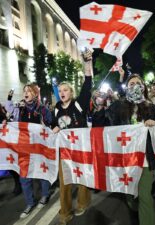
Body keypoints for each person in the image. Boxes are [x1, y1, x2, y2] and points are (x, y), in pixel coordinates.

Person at [106, 72, 155, 225]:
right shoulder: (118, 107)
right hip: (125, 157)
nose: (134, 86)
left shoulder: (152, 107)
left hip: (144, 158)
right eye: (131, 84)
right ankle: (132, 202)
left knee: (145, 196)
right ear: (127, 88)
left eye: (138, 83)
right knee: (130, 192)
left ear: (143, 87)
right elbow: (106, 123)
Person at [52, 49, 93, 225]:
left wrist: (87, 62)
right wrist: (53, 127)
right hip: (64, 152)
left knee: (82, 178)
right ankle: (65, 211)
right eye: (60, 90)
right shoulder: (55, 109)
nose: (62, 92)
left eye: (65, 90)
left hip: (80, 148)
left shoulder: (79, 104)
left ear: (71, 91)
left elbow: (88, 82)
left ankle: (83, 202)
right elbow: (52, 126)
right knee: (65, 182)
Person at [11, 84, 53, 219]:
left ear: (35, 94)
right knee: (24, 176)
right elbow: (14, 125)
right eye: (24, 91)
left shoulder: (42, 109)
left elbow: (50, 125)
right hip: (25, 147)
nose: (26, 93)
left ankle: (45, 195)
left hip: (39, 147)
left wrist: (44, 125)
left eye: (28, 91)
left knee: (41, 172)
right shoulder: (20, 110)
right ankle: (30, 202)